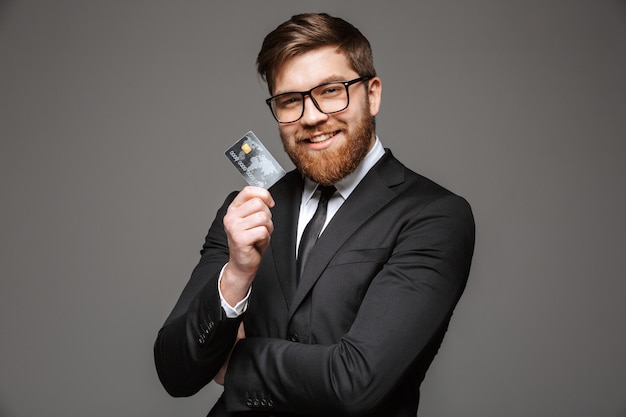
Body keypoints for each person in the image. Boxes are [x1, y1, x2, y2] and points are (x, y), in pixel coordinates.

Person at [154, 12, 475, 417]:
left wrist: (237, 363)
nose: (311, 117)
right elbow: (173, 372)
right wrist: (236, 275)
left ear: (372, 94)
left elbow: (354, 384)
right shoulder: (246, 211)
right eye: (290, 100)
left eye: (330, 91)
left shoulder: (435, 216)